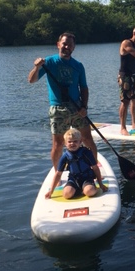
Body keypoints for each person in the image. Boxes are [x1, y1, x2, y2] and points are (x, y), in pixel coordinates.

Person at [28, 32, 97, 170]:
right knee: (58, 144)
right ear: (58, 44)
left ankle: (94, 169)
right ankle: (58, 173)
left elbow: (84, 88)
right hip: (58, 108)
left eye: (70, 45)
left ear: (73, 47)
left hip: (77, 107)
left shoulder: (78, 65)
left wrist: (84, 106)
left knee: (87, 139)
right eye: (64, 44)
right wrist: (37, 67)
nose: (67, 47)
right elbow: (31, 80)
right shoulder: (48, 62)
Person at [45, 129, 107, 199]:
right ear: (65, 143)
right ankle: (78, 190)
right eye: (69, 142)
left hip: (87, 178)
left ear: (80, 142)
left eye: (75, 141)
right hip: (73, 179)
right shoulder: (65, 156)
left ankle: (88, 188)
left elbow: (95, 168)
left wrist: (101, 185)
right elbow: (58, 174)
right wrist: (51, 191)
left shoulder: (87, 153)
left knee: (90, 191)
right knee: (66, 194)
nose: (72, 143)